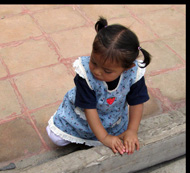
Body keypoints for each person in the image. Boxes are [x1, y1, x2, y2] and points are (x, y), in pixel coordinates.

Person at [46, 16, 151, 156]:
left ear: (127, 68)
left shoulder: (134, 73)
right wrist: (105, 138)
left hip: (113, 115)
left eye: (107, 71)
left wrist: (132, 130)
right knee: (55, 138)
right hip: (84, 116)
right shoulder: (85, 76)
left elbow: (137, 103)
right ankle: (84, 136)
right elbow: (89, 110)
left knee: (124, 135)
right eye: (94, 62)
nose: (96, 71)